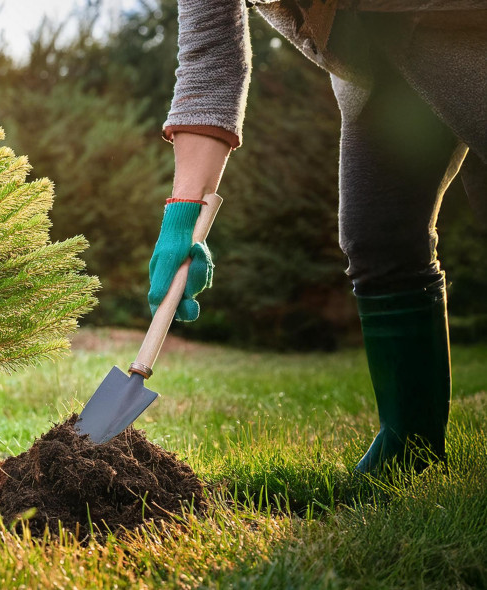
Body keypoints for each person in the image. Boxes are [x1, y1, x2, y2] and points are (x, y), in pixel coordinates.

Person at [147, 0, 487, 475]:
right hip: (383, 57)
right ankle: (410, 450)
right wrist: (181, 219)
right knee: (378, 237)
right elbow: (210, 64)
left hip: (467, 31)